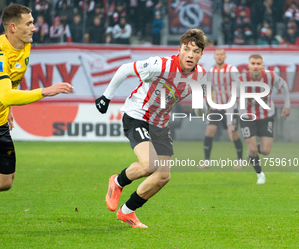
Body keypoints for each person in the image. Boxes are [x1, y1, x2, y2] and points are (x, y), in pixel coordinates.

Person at [0, 4, 73, 234]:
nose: (34, 27)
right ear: (13, 27)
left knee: (4, 183)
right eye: (29, 23)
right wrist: (45, 91)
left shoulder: (24, 47)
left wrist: (8, 108)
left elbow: (10, 84)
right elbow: (3, 93)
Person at [95, 29, 208, 228]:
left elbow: (201, 102)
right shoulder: (161, 65)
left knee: (163, 175)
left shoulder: (200, 76)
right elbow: (125, 69)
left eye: (196, 51)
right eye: (187, 49)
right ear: (179, 49)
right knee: (149, 165)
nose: (190, 55)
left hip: (160, 124)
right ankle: (118, 181)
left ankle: (127, 212)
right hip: (138, 116)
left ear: (201, 54)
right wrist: (106, 96)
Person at [227, 54, 290, 184]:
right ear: (248, 66)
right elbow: (232, 101)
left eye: (258, 64)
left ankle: (251, 152)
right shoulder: (240, 80)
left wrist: (287, 106)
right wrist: (229, 123)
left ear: (262, 65)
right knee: (254, 149)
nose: (255, 66)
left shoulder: (270, 76)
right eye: (253, 63)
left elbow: (284, 86)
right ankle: (260, 175)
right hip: (247, 116)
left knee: (266, 151)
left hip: (266, 115)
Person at [200, 48, 243, 169]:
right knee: (209, 131)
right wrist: (206, 104)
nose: (219, 56)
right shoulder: (211, 71)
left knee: (234, 134)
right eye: (217, 54)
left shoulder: (231, 70)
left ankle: (240, 160)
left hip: (231, 106)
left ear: (225, 57)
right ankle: (206, 161)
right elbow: (210, 89)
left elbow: (238, 87)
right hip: (216, 107)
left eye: (221, 55)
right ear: (214, 57)